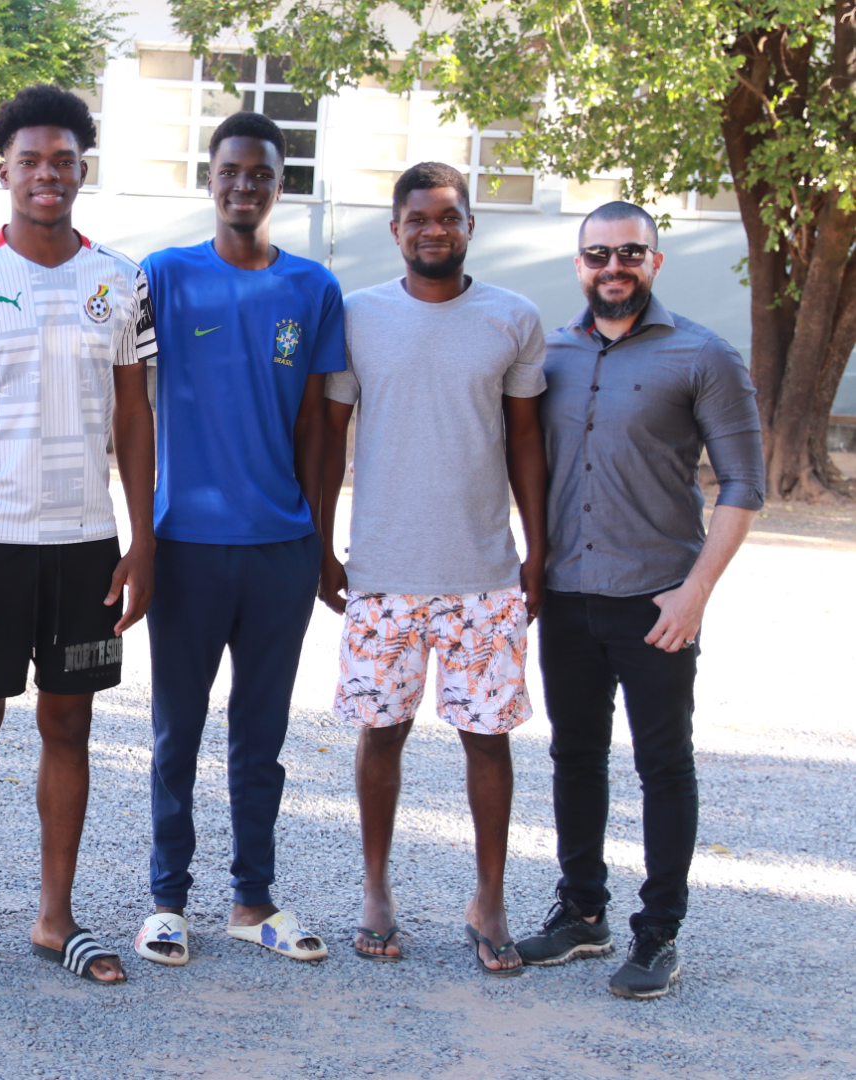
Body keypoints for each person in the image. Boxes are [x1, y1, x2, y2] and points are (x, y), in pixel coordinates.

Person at [0, 84, 156, 987]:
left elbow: (135, 417)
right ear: (4, 171)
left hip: (86, 544)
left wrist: (142, 541)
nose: (47, 174)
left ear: (81, 170)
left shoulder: (119, 280)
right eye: (30, 161)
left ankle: (56, 918)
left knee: (70, 723)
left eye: (63, 160)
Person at [515, 202, 763, 999]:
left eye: (629, 252)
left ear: (655, 261)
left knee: (663, 765)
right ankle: (582, 913)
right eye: (598, 254)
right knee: (575, 756)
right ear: (579, 263)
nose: (612, 267)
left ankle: (658, 934)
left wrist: (695, 595)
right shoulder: (548, 354)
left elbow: (744, 485)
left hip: (658, 603)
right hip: (566, 597)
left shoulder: (704, 355)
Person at [317, 162, 548, 976]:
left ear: (469, 226)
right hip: (383, 573)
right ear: (396, 230)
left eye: (448, 216)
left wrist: (539, 549)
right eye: (417, 218)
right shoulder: (359, 316)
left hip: (485, 574)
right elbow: (330, 435)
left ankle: (489, 899)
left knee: (487, 740)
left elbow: (527, 439)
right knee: (382, 731)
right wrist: (322, 543)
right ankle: (376, 890)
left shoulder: (513, 318)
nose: (433, 230)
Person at [132, 112, 346, 968]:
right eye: (231, 171)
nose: (244, 185)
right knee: (175, 733)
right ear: (210, 178)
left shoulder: (312, 288)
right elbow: (114, 376)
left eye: (261, 173)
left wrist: (321, 540)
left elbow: (320, 428)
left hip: (279, 548)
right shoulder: (165, 276)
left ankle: (253, 900)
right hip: (185, 544)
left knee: (261, 736)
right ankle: (166, 903)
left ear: (280, 186)